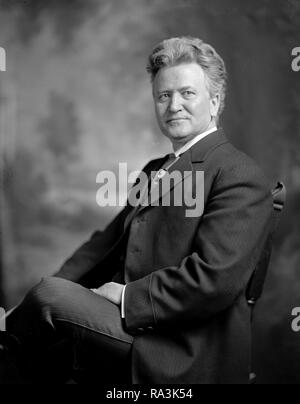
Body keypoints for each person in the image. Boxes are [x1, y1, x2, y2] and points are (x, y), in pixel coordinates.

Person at [0, 36, 273, 384]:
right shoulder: (154, 169)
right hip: (128, 326)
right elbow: (101, 247)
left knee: (47, 301)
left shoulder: (238, 174)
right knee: (42, 318)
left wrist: (127, 295)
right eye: (164, 95)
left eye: (187, 93)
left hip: (180, 345)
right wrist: (23, 313)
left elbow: (213, 281)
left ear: (215, 101)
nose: (174, 105)